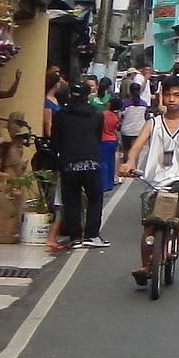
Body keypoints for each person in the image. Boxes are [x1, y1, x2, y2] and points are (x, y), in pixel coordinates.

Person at [118, 72, 179, 286]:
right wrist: (129, 163)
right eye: (168, 95)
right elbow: (136, 148)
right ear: (161, 97)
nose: (172, 99)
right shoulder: (153, 124)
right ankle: (146, 265)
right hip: (155, 180)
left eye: (177, 95)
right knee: (148, 227)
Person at [50, 83, 108, 250]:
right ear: (87, 95)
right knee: (95, 198)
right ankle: (91, 235)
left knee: (71, 200)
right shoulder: (97, 115)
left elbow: (55, 142)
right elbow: (97, 137)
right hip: (90, 161)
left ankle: (75, 237)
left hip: (68, 163)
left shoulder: (60, 115)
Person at [96, 78, 121, 190]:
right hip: (112, 139)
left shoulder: (103, 114)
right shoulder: (116, 117)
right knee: (111, 162)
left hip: (103, 140)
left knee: (103, 162)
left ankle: (104, 184)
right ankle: (110, 182)